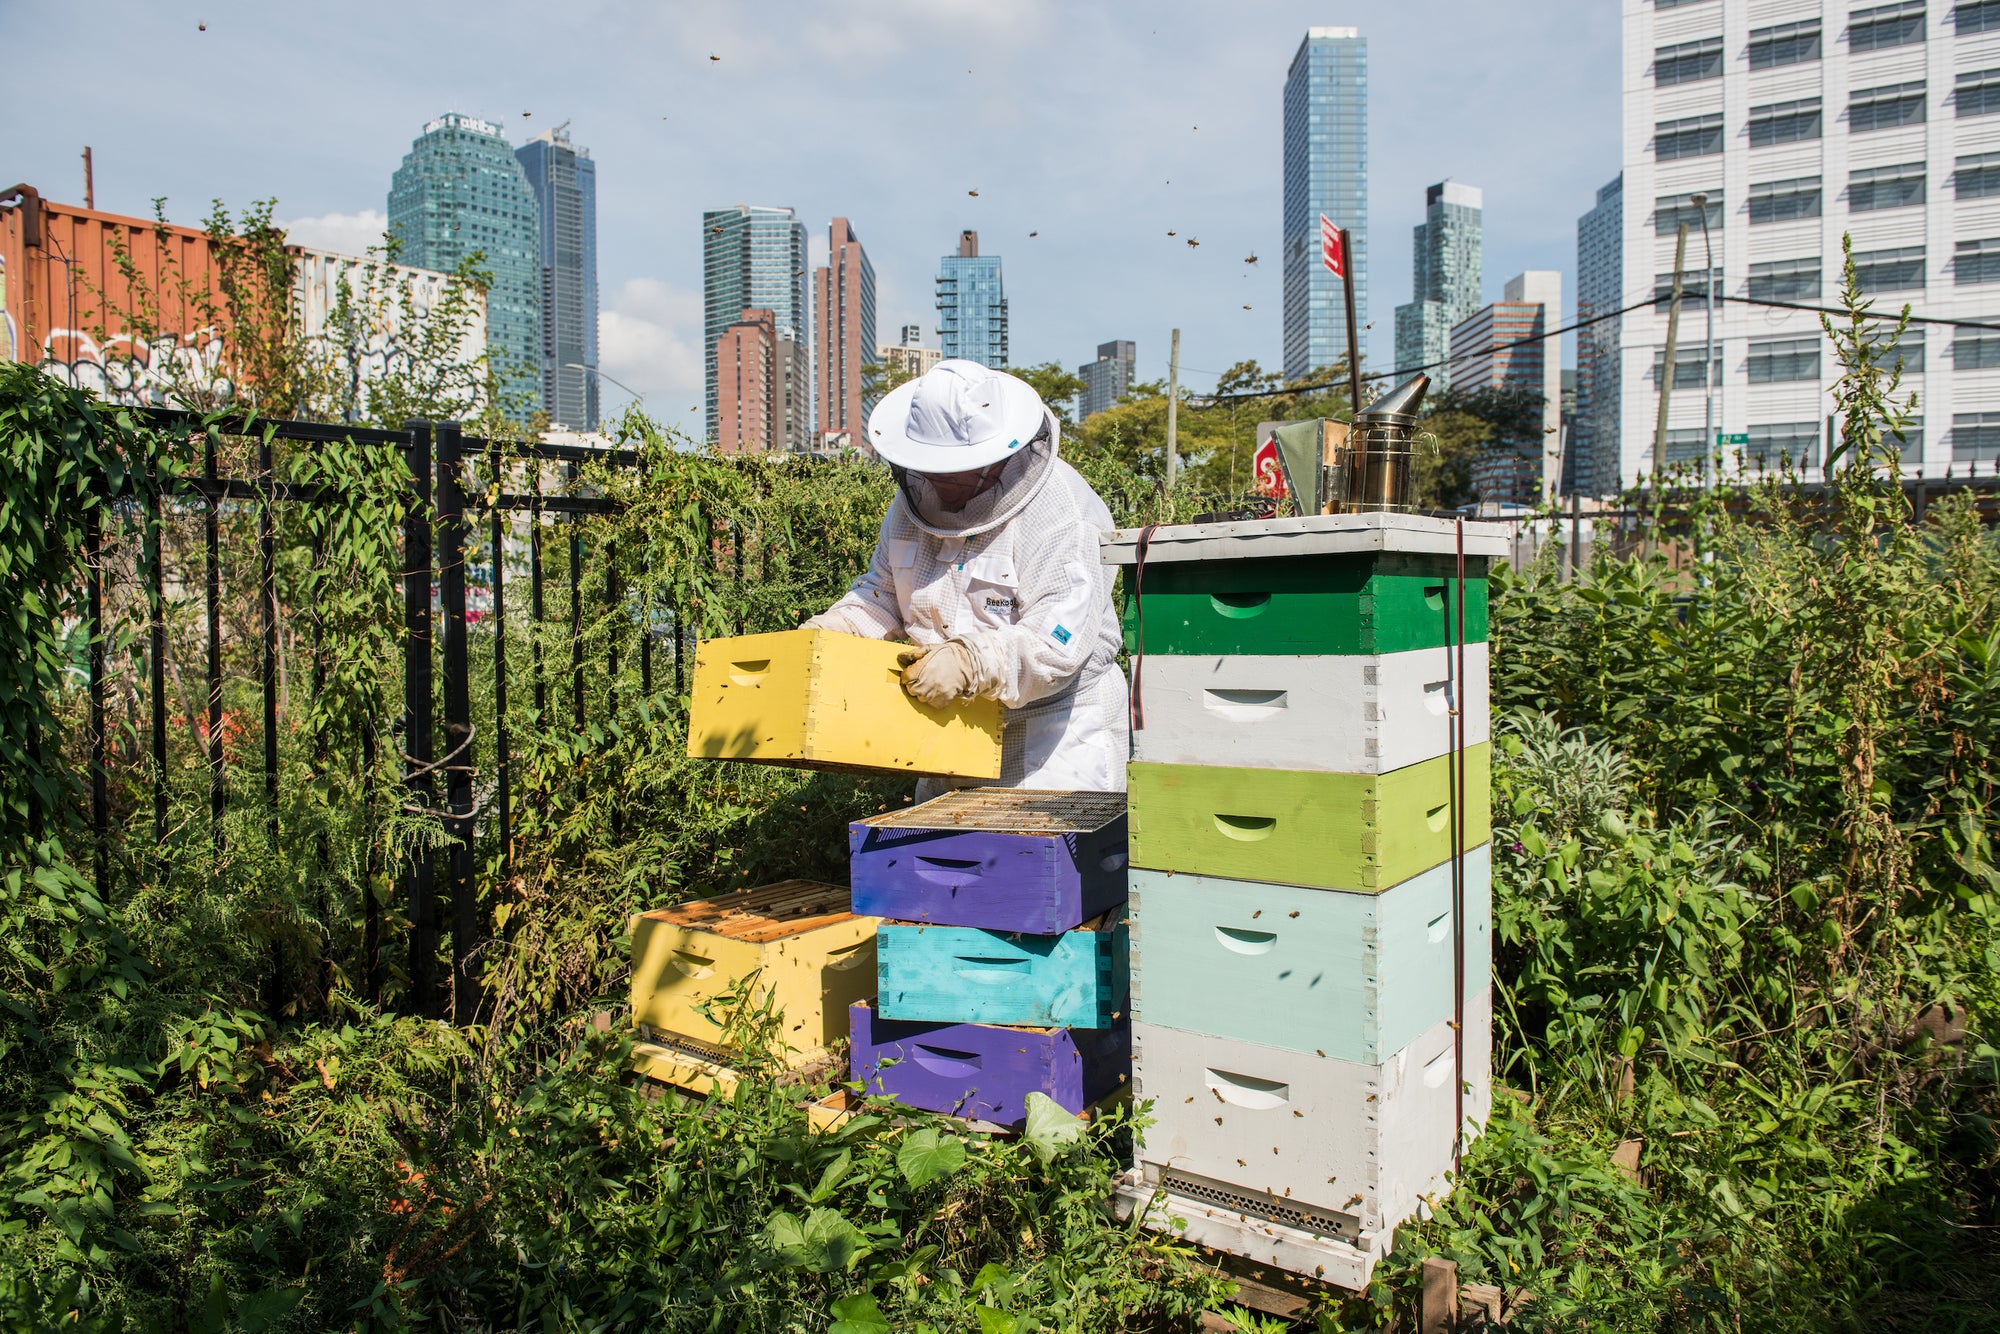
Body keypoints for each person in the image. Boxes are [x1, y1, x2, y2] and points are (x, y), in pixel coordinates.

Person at [803, 359, 1128, 793]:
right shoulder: (911, 506)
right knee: (943, 857)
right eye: (925, 467)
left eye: (947, 470)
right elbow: (883, 594)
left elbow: (1058, 643)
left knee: (1038, 859)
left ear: (990, 462)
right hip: (948, 732)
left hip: (1053, 741)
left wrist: (970, 660)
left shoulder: (1061, 512)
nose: (933, 482)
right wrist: (830, 631)